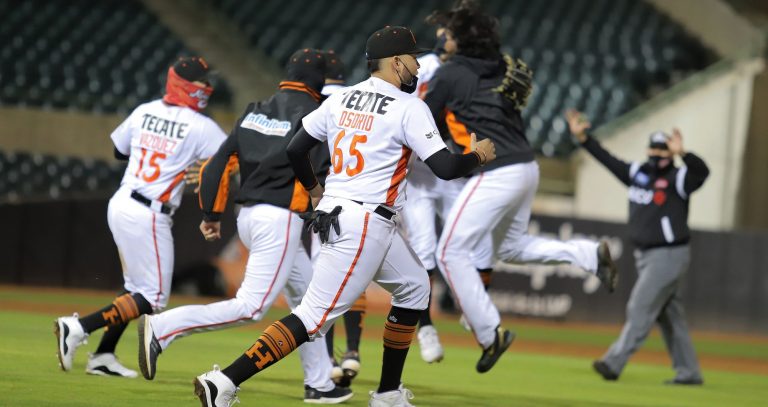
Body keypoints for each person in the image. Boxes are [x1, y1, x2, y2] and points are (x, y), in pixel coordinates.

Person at [191, 25, 496, 407]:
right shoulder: (408, 107)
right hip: (365, 222)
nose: (417, 67)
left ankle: (388, 393)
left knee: (416, 287)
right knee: (313, 318)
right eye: (413, 59)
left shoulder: (341, 99)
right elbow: (447, 168)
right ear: (397, 61)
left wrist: (316, 191)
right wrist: (479, 154)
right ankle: (223, 381)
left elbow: (295, 149)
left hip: (345, 213)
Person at [137, 49, 352, 404]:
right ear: (317, 80)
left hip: (249, 217)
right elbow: (323, 167)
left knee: (312, 300)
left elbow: (215, 165)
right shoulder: (315, 115)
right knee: (250, 307)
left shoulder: (256, 109)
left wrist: (211, 215)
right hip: (279, 219)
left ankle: (320, 385)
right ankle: (163, 327)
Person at [423, 7, 619, 373]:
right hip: (527, 166)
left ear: (462, 38)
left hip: (496, 171)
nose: (443, 38)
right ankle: (589, 254)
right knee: (511, 247)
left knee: (449, 251)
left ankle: (488, 333)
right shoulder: (500, 65)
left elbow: (421, 120)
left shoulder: (450, 74)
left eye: (449, 32)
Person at [53, 57, 227, 377]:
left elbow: (119, 150)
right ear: (185, 84)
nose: (207, 86)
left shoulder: (145, 110)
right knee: (153, 298)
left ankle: (103, 356)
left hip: (123, 201)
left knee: (136, 289)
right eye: (202, 81)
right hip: (148, 211)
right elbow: (229, 161)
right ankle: (78, 326)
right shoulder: (201, 125)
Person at [566, 109, 708, 385]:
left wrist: (685, 154)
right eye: (654, 148)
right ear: (647, 150)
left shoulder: (679, 178)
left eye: (663, 149)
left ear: (671, 151)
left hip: (669, 254)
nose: (657, 154)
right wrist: (584, 139)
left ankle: (613, 362)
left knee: (639, 306)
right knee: (670, 318)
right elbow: (609, 161)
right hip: (646, 255)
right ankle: (689, 372)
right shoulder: (638, 173)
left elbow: (703, 173)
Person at [318, 49, 367, 387]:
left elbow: (295, 149)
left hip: (318, 204)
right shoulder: (355, 100)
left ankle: (325, 362)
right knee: (354, 280)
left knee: (322, 287)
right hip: (364, 202)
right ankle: (352, 351)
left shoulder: (315, 103)